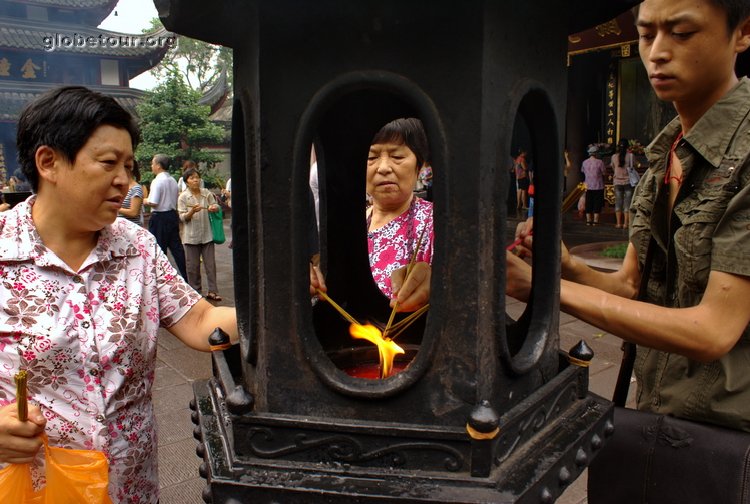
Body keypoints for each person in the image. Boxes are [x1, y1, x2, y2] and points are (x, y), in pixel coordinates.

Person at [507, 0, 750, 433]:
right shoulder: (665, 152)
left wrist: (543, 288)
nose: (657, 51)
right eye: (646, 34)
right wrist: (563, 266)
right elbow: (629, 285)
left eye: (681, 32)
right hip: (661, 413)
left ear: (742, 33)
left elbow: (714, 330)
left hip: (732, 429)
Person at [0, 86, 238, 503]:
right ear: (48, 162)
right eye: (109, 163)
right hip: (34, 488)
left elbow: (201, 321)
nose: (126, 181)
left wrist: (285, 303)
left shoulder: (137, 247)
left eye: (129, 166)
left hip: (131, 487)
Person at [311, 117, 433, 313]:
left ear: (419, 166)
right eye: (372, 157)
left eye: (397, 157)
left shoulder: (436, 222)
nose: (383, 168)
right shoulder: (350, 224)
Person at [178, 167, 222, 301]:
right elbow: (182, 217)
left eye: (197, 177)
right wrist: (192, 212)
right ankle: (195, 292)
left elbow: (215, 205)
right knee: (193, 267)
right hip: (191, 237)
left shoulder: (206, 193)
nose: (196, 180)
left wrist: (214, 207)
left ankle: (213, 291)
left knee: (210, 265)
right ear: (187, 182)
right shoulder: (183, 197)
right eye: (192, 178)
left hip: (207, 235)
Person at [145, 153, 188, 279]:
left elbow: (154, 202)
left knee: (159, 250)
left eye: (153, 163)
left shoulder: (157, 181)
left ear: (158, 166)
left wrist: (144, 200)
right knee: (176, 248)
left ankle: (161, 278)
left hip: (159, 217)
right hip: (171, 215)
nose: (151, 166)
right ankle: (186, 276)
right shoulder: (173, 180)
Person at [611, 138, 635, 229]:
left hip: (617, 181)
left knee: (618, 202)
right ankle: (626, 224)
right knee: (627, 203)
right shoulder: (631, 156)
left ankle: (618, 223)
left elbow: (613, 168)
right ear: (627, 146)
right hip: (628, 181)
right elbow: (633, 166)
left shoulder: (613, 157)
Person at [580, 145, 606, 225]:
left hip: (588, 185)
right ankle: (595, 221)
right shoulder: (600, 162)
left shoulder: (584, 162)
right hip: (598, 185)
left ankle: (588, 220)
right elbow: (604, 172)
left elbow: (582, 171)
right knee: (597, 203)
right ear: (596, 153)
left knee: (589, 202)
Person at [117, 159, 144, 226]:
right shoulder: (120, 187)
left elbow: (134, 212)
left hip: (131, 229)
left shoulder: (136, 188)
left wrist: (115, 208)